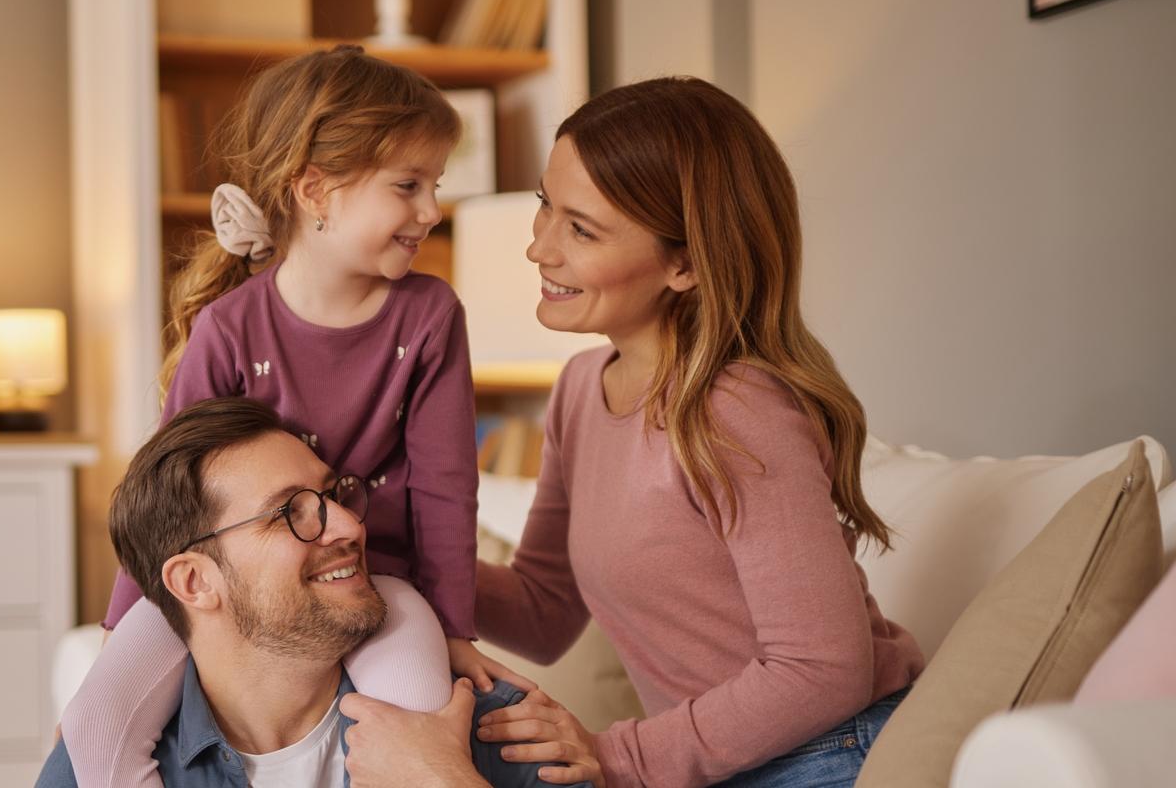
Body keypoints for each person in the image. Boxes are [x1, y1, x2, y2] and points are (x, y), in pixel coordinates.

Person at [354, 77, 928, 787]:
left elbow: (824, 669)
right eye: (545, 206)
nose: (539, 249)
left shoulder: (737, 409)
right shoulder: (580, 390)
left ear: (684, 262)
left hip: (833, 754)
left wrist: (619, 755)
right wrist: (387, 542)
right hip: (723, 766)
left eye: (581, 229)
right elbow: (544, 610)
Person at [59, 44, 531, 788]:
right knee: (91, 721)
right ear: (317, 190)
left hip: (381, 582)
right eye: (408, 185)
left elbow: (446, 487)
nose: (432, 212)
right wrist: (126, 637)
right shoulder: (229, 328)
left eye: (434, 186)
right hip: (239, 588)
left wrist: (454, 629)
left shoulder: (432, 314)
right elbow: (162, 500)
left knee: (417, 711)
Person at [35, 397, 584, 788]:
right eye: (290, 514)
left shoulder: (494, 731)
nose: (348, 526)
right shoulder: (98, 763)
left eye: (331, 495)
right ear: (195, 582)